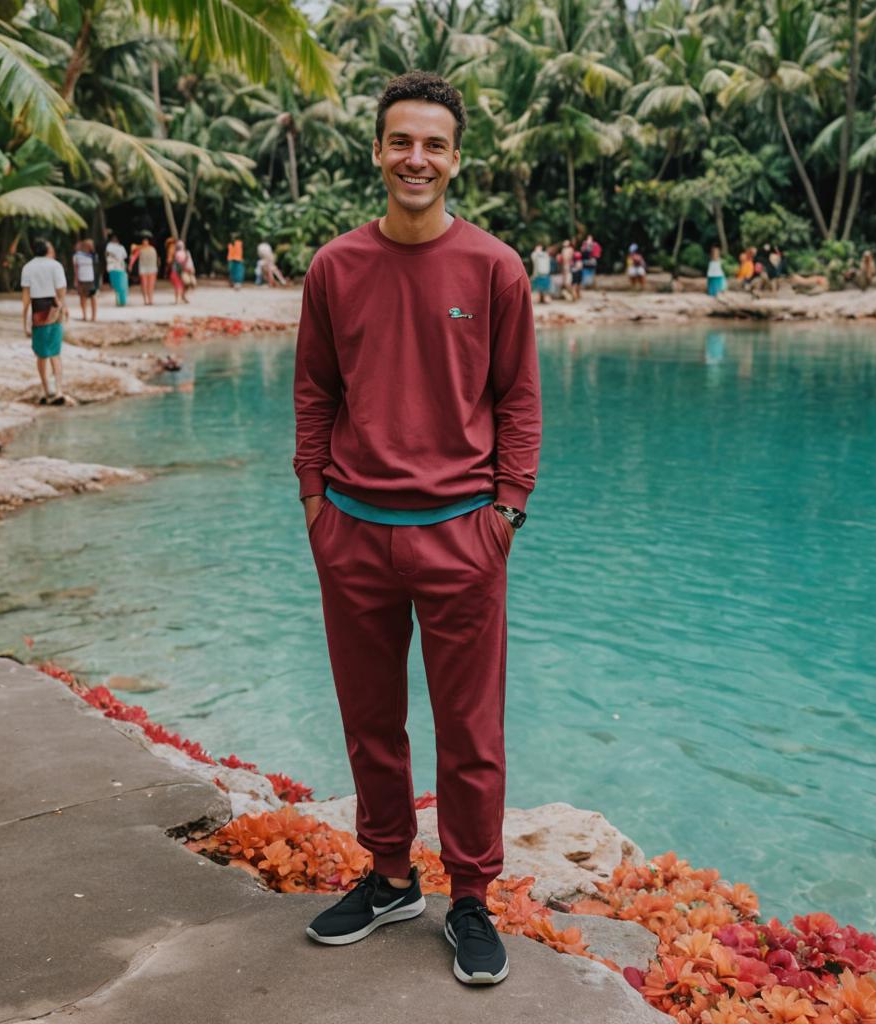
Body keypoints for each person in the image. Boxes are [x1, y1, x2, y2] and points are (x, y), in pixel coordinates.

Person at [294, 70, 541, 987]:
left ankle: (469, 897)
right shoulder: (335, 267)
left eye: (434, 143)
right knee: (372, 721)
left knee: (470, 731)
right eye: (402, 141)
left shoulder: (494, 267)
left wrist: (506, 511)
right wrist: (315, 502)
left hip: (461, 535)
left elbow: (518, 398)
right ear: (377, 152)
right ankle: (391, 877)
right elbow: (315, 391)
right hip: (352, 530)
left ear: (456, 158)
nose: (416, 158)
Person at [21, 239, 68, 405]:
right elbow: (61, 291)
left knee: (41, 354)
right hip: (54, 310)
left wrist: (24, 320)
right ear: (48, 250)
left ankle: (47, 389)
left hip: (37, 311)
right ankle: (59, 390)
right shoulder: (55, 266)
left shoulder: (28, 267)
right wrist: (63, 309)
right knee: (55, 352)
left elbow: (26, 297)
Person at [72, 239, 98, 322]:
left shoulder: (92, 255)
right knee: (82, 297)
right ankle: (84, 315)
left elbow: (96, 263)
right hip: (81, 279)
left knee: (93, 297)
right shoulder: (76, 256)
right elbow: (75, 269)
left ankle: (93, 316)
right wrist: (76, 280)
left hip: (91, 279)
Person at [129, 235, 158, 304]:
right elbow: (134, 257)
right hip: (143, 268)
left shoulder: (152, 249)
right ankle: (145, 300)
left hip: (152, 268)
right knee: (144, 285)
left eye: (146, 242)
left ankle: (150, 300)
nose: (145, 243)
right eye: (144, 242)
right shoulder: (140, 249)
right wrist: (130, 265)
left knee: (151, 285)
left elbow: (156, 259)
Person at [105, 233, 128, 306]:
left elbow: (107, 254)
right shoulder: (119, 247)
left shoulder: (111, 246)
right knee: (120, 285)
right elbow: (124, 256)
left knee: (118, 285)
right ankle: (121, 301)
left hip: (115, 268)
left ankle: (120, 301)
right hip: (118, 268)